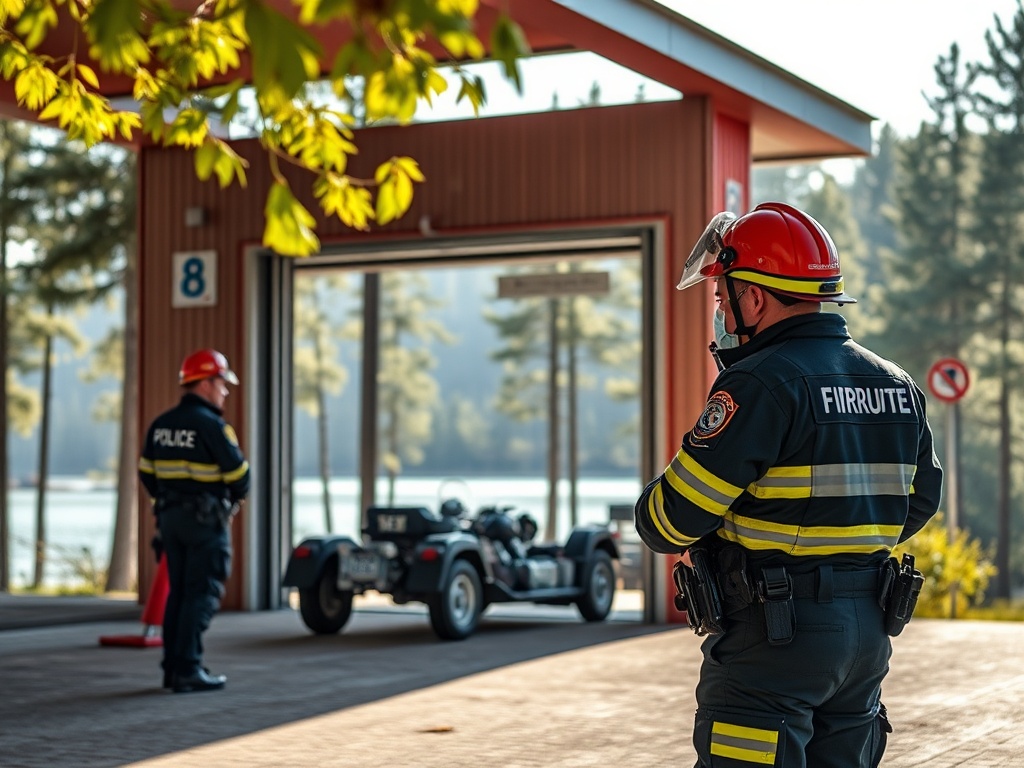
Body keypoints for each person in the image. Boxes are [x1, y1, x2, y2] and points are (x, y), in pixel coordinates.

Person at [634, 202, 942, 767]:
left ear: (755, 297)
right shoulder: (897, 386)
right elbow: (919, 502)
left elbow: (668, 521)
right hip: (866, 638)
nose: (723, 311)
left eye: (723, 297)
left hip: (771, 640)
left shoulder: (758, 383)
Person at [139, 349, 250, 693]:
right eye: (222, 383)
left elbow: (147, 474)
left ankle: (173, 668)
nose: (225, 392)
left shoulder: (161, 425)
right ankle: (188, 669)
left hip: (171, 521)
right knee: (201, 594)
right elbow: (240, 476)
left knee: (180, 594)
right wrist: (226, 503)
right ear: (205, 383)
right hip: (205, 524)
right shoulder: (213, 427)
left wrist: (169, 504)